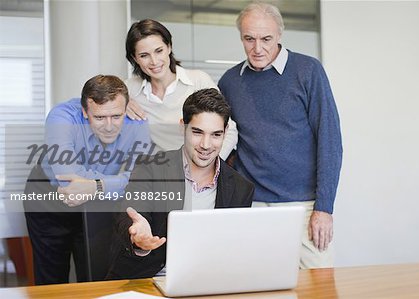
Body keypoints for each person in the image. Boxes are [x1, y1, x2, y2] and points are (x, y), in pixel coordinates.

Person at [218, 2, 343, 269]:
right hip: (253, 206)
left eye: (266, 39)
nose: (257, 48)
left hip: (306, 206)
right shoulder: (230, 81)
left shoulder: (308, 71)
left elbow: (330, 142)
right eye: (249, 39)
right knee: (259, 285)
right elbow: (223, 138)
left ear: (280, 36)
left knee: (319, 286)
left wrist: (324, 208)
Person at [106, 88, 254, 279]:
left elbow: (234, 250)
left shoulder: (241, 188)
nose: (206, 145)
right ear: (182, 127)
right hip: (150, 279)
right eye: (197, 132)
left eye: (216, 135)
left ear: (225, 133)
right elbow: (132, 214)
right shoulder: (151, 168)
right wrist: (138, 239)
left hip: (209, 282)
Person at [23, 75, 151, 284]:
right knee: (51, 279)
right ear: (85, 111)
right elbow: (67, 177)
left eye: (117, 116)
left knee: (97, 274)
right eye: (99, 118)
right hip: (49, 199)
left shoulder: (137, 122)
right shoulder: (61, 117)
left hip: (99, 200)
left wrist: (97, 187)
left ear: (127, 107)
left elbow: (142, 177)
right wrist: (115, 182)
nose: (109, 126)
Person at [124, 19, 238, 158]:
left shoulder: (197, 81)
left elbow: (230, 130)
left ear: (169, 47)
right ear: (134, 58)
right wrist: (122, 102)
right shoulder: (129, 89)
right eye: (144, 55)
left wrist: (211, 167)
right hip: (159, 172)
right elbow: (94, 104)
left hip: (200, 170)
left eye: (159, 51)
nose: (154, 61)